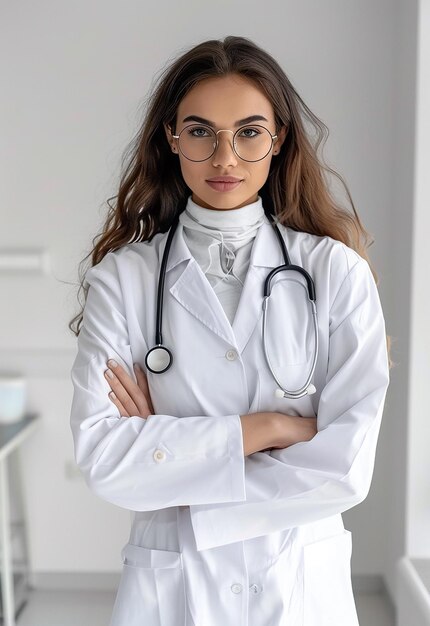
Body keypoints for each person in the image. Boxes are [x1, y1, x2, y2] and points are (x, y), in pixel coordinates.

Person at [69, 35, 390, 626]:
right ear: (171, 137)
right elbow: (105, 460)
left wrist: (171, 457)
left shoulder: (335, 272)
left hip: (299, 583)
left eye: (247, 131)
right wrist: (268, 428)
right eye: (200, 131)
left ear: (278, 139)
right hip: (172, 588)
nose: (225, 158)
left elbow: (345, 467)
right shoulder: (124, 279)